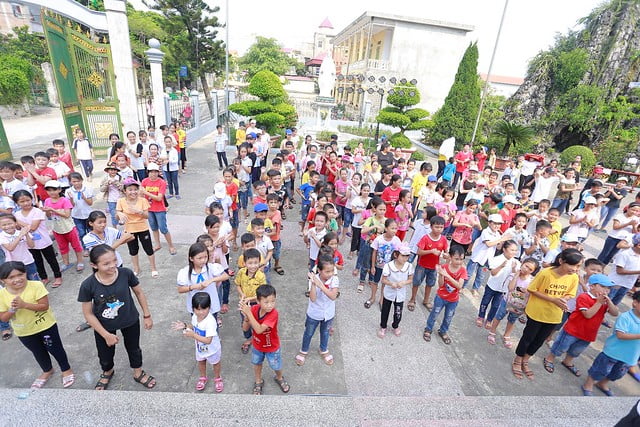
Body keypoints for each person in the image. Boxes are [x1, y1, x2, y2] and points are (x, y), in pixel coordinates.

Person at [78, 244, 156, 390]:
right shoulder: (88, 285)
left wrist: (147, 315)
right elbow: (88, 314)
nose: (112, 265)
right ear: (94, 265)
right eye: (106, 263)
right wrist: (105, 334)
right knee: (105, 353)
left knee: (134, 348)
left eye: (114, 260)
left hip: (129, 319)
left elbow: (139, 293)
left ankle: (138, 372)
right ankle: (107, 371)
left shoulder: (125, 273)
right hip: (104, 325)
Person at [0, 261, 75, 389]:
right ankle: (47, 370)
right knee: (37, 351)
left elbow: (44, 306)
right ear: (3, 280)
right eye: (11, 277)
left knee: (55, 348)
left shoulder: (36, 285)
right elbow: (3, 318)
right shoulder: (2, 295)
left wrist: (24, 305)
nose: (17, 279)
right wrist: (13, 309)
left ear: (26, 273)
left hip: (46, 327)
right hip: (24, 331)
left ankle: (66, 369)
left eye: (20, 274)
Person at [512, 248, 583, 380]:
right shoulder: (545, 273)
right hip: (537, 312)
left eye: (578, 266)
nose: (575, 269)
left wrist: (564, 299)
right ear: (561, 261)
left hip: (554, 315)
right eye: (572, 265)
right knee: (528, 338)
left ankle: (526, 360)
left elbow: (570, 294)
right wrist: (553, 299)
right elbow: (532, 289)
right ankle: (517, 359)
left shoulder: (573, 277)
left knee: (539, 340)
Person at [542, 274, 618, 376]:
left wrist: (609, 303)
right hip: (573, 330)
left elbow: (615, 313)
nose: (606, 290)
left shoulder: (604, 301)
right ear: (592, 286)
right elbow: (587, 314)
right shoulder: (584, 297)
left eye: (608, 288)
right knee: (561, 346)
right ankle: (549, 358)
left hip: (588, 333)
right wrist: (599, 303)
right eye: (603, 286)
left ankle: (567, 361)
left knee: (576, 350)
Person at [581, 291, 640, 396]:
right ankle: (588, 384)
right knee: (599, 370)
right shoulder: (626, 317)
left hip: (630, 356)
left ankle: (602, 383)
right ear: (635, 303)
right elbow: (620, 335)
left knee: (617, 374)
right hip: (613, 352)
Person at [239, 284, 290, 395]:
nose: (270, 305)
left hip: (272, 347)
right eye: (266, 302)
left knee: (276, 365)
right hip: (257, 346)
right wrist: (246, 317)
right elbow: (245, 328)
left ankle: (279, 377)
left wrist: (248, 313)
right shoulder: (254, 309)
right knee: (257, 363)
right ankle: (258, 381)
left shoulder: (273, 314)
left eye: (273, 301)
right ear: (258, 301)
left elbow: (258, 330)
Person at [172, 292, 224, 392]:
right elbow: (193, 326)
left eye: (204, 309)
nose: (201, 312)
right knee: (201, 362)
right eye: (198, 309)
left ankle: (217, 378)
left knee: (215, 363)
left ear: (209, 308)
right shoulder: (195, 317)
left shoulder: (210, 322)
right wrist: (185, 325)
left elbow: (208, 340)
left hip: (212, 349)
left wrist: (193, 335)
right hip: (200, 347)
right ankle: (203, 377)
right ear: (193, 308)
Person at [295, 255, 339, 366]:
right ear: (319, 270)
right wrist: (314, 284)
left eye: (332, 271)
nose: (330, 274)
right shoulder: (314, 280)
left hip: (328, 313)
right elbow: (313, 298)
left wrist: (321, 285)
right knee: (309, 333)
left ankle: (323, 349)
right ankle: (304, 350)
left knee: (325, 332)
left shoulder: (335, 279)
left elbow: (333, 296)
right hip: (314, 313)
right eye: (327, 271)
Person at [13, 190, 62, 288]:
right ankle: (44, 277)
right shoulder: (17, 214)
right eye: (22, 202)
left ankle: (58, 276)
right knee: (37, 261)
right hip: (29, 242)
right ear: (17, 203)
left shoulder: (37, 211)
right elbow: (17, 228)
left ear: (32, 199)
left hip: (43, 241)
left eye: (28, 200)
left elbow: (33, 227)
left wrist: (17, 221)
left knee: (51, 259)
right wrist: (16, 224)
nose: (26, 203)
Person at [487, 258, 538, 348]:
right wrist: (516, 275)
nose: (527, 269)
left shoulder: (531, 281)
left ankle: (506, 335)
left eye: (530, 269)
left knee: (512, 320)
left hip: (519, 305)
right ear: (522, 263)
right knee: (498, 317)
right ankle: (492, 331)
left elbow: (532, 293)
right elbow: (510, 288)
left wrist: (526, 291)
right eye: (526, 266)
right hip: (507, 301)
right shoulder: (513, 275)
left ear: (533, 271)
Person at [423, 245, 468, 344]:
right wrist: (441, 275)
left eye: (461, 259)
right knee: (434, 313)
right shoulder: (444, 267)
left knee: (448, 317)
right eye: (456, 259)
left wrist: (447, 275)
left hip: (453, 299)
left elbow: (459, 286)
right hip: (441, 297)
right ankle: (428, 328)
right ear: (450, 257)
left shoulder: (463, 271)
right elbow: (441, 285)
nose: (459, 262)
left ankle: (443, 331)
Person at [116, 178, 158, 278]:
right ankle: (136, 269)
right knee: (133, 251)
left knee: (149, 249)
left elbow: (147, 216)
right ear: (125, 191)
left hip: (142, 228)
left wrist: (139, 211)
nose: (133, 192)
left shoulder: (143, 200)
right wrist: (119, 214)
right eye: (130, 189)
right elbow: (117, 215)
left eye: (135, 189)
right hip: (129, 230)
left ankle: (153, 268)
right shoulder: (121, 201)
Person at [477, 240, 520, 329]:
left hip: (503, 289)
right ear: (504, 249)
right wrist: (501, 266)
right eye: (512, 250)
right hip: (492, 286)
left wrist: (513, 269)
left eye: (515, 250)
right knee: (485, 302)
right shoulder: (497, 259)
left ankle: (489, 319)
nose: (514, 252)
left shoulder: (516, 263)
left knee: (496, 306)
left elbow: (515, 276)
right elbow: (493, 273)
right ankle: (481, 316)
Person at [43, 180, 84, 272]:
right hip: (56, 227)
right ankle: (66, 263)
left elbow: (67, 214)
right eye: (49, 190)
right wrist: (47, 211)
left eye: (54, 190)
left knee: (76, 245)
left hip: (68, 227)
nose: (51, 192)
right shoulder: (47, 201)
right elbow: (48, 216)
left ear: (59, 190)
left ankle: (80, 261)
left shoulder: (64, 200)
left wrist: (52, 209)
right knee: (62, 247)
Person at [410, 215, 448, 311]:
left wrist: (446, 255)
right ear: (431, 227)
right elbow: (419, 251)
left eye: (441, 227)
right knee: (416, 282)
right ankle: (412, 299)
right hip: (422, 265)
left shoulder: (443, 239)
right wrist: (431, 251)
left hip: (434, 266)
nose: (439, 229)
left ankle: (426, 300)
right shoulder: (425, 238)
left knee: (430, 284)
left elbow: (446, 252)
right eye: (436, 227)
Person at [140, 162, 176, 255]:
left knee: (163, 228)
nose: (153, 174)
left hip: (159, 209)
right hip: (149, 208)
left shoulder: (161, 182)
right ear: (148, 172)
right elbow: (141, 194)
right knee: (153, 227)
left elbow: (159, 198)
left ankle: (171, 245)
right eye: (151, 172)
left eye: (155, 171)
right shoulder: (144, 181)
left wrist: (145, 193)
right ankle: (157, 244)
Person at [378, 243, 414, 338]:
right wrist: (391, 284)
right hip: (389, 292)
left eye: (407, 256)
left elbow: (410, 279)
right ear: (396, 255)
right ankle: (383, 326)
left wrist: (404, 283)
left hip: (400, 294)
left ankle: (395, 325)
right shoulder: (388, 266)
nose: (405, 258)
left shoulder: (409, 266)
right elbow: (383, 279)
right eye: (403, 256)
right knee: (385, 310)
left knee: (398, 312)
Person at [235, 248, 266, 354]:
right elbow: (238, 284)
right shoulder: (241, 272)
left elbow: (263, 293)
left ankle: (257, 338)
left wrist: (251, 298)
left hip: (256, 303)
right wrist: (242, 294)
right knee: (245, 322)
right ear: (244, 263)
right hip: (244, 303)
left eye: (256, 263)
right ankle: (249, 339)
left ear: (259, 262)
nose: (253, 266)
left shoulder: (261, 276)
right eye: (250, 263)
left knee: (257, 322)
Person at [367, 219, 401, 309]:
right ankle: (372, 297)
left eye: (395, 228)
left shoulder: (397, 240)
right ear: (386, 228)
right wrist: (373, 266)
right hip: (378, 265)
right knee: (375, 282)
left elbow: (398, 254)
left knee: (384, 283)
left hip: (389, 267)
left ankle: (382, 299)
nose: (394, 230)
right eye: (392, 228)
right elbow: (374, 252)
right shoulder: (379, 239)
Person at [0, 213, 38, 280]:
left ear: (15, 223)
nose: (7, 226)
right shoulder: (2, 236)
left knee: (34, 281)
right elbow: (10, 248)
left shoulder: (21, 232)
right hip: (13, 265)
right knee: (21, 284)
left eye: (10, 223)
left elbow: (32, 245)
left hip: (28, 261)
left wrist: (26, 234)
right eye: (4, 225)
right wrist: (20, 235)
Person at [65, 172, 94, 256]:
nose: (76, 183)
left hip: (88, 214)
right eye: (74, 181)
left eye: (78, 181)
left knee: (90, 231)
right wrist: (70, 199)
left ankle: (93, 247)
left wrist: (84, 197)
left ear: (82, 180)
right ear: (70, 182)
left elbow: (90, 203)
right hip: (76, 215)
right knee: (81, 233)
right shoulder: (68, 191)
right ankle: (86, 248)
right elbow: (72, 205)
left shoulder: (87, 188)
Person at [100, 162, 124, 227]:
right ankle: (115, 228)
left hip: (120, 198)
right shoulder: (105, 179)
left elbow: (124, 189)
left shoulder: (120, 178)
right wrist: (107, 184)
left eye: (114, 170)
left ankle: (123, 225)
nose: (113, 171)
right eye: (111, 170)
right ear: (108, 171)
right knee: (113, 215)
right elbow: (101, 189)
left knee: (122, 213)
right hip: (111, 199)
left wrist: (117, 184)